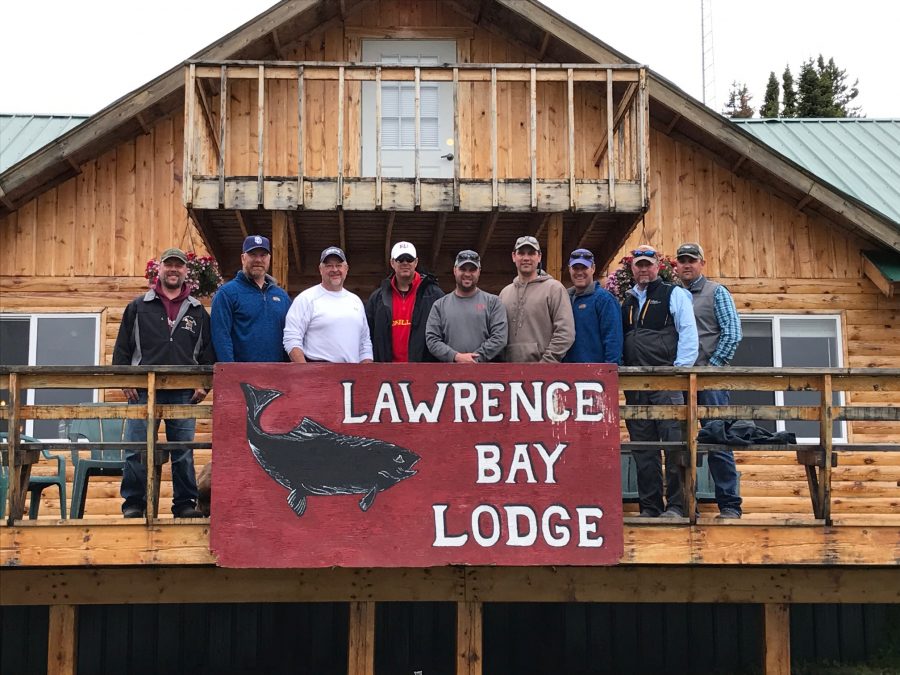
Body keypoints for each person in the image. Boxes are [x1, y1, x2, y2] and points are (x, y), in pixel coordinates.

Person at [113, 247, 214, 519]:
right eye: (168, 265)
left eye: (178, 266)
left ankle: (183, 505)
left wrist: (203, 384)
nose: (173, 270)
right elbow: (122, 349)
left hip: (183, 393)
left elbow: (208, 354)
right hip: (143, 391)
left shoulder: (197, 311)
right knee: (137, 450)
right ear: (159, 270)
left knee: (183, 452)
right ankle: (134, 503)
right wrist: (126, 379)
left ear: (186, 271)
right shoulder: (138, 306)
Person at [621, 245, 698, 518]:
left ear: (657, 267)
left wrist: (679, 371)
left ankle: (678, 506)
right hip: (635, 385)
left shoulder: (673, 293)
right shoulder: (628, 300)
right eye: (639, 265)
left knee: (675, 444)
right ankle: (650, 507)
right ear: (633, 268)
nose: (643, 269)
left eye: (648, 265)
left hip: (666, 381)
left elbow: (688, 332)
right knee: (644, 449)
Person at [675, 241, 744, 519]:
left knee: (718, 440)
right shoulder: (674, 294)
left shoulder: (717, 292)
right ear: (676, 266)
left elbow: (732, 333)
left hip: (711, 380)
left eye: (692, 260)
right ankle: (684, 505)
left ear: (702, 263)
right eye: (682, 260)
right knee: (679, 443)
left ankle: (729, 505)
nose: (687, 264)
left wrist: (711, 368)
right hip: (679, 380)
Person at [283, 246, 373, 363]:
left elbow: (365, 342)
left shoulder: (356, 301)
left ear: (346, 269)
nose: (334, 270)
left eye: (339, 265)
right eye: (329, 266)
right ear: (320, 269)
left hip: (352, 375)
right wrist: (305, 372)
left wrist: (366, 374)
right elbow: (291, 338)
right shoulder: (306, 299)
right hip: (318, 373)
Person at [212, 234, 291, 362]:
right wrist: (230, 372)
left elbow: (290, 337)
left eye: (263, 255)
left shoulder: (282, 297)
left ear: (269, 259)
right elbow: (221, 337)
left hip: (277, 376)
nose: (258, 260)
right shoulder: (226, 294)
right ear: (243, 258)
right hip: (242, 377)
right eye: (253, 254)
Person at [499, 235, 574, 363]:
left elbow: (566, 332)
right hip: (509, 373)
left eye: (531, 253)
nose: (526, 258)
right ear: (513, 256)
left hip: (544, 373)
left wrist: (546, 363)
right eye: (521, 253)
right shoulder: (504, 293)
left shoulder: (554, 289)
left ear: (539, 257)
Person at [366, 241, 444, 362]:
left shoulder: (434, 294)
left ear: (416, 262)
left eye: (409, 259)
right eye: (400, 259)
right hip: (385, 372)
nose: (405, 263)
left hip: (425, 372)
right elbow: (367, 336)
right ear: (392, 263)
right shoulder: (377, 298)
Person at [425, 250, 508, 363]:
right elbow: (432, 340)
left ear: (479, 272)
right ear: (454, 270)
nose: (467, 274)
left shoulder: (493, 302)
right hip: (449, 375)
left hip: (487, 375)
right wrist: (455, 357)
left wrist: (476, 358)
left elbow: (500, 338)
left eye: (472, 270)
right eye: (463, 269)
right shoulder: (439, 305)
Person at [563, 248, 623, 364]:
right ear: (570, 269)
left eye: (584, 267)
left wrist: (609, 372)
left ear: (593, 269)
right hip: (567, 373)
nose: (579, 272)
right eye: (575, 268)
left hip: (596, 375)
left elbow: (613, 340)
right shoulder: (564, 299)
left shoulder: (605, 300)